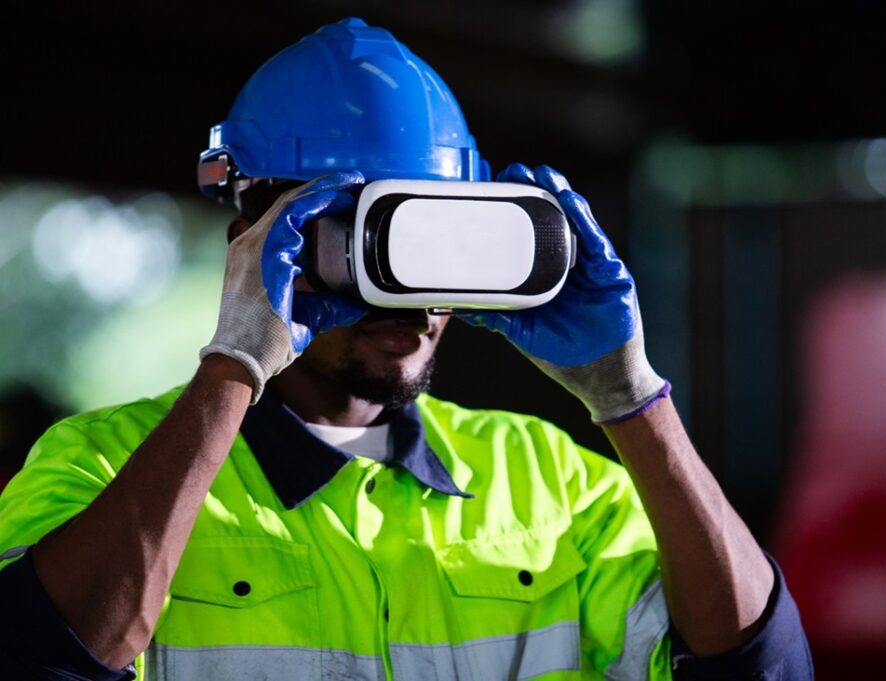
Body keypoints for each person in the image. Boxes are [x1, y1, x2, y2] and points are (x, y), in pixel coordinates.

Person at [0, 17, 812, 681]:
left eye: (436, 237)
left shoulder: (557, 484)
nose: (413, 298)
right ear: (251, 232)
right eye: (366, 241)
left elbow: (760, 669)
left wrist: (632, 399)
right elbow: (42, 663)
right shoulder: (96, 466)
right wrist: (234, 363)